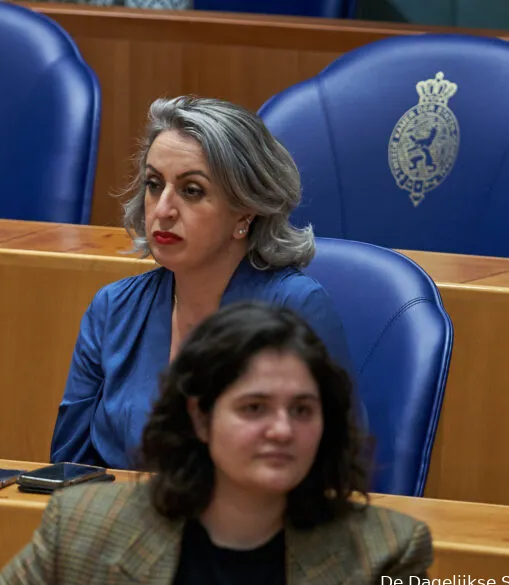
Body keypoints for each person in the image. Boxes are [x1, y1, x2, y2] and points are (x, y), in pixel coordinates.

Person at [0, 303, 433, 585]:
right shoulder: (82, 526)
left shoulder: (389, 553)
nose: (282, 430)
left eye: (302, 409)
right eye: (254, 408)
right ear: (200, 418)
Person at [50, 95, 364, 469]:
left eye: (191, 190)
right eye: (154, 184)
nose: (163, 210)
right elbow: (66, 469)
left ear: (244, 211)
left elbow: (336, 468)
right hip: (121, 523)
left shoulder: (294, 310)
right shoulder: (113, 309)